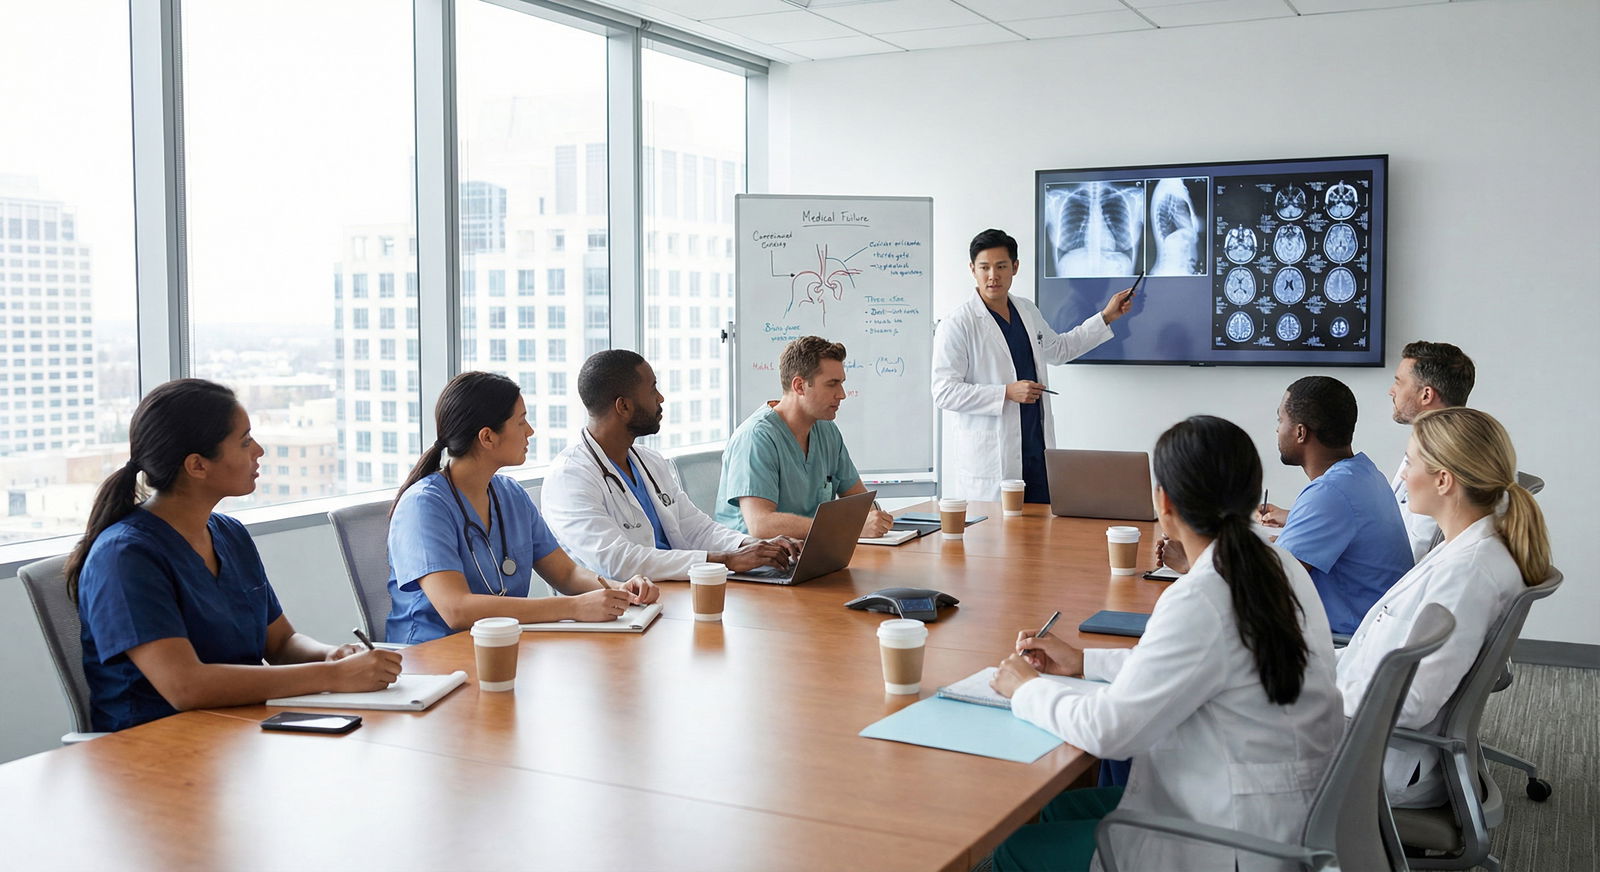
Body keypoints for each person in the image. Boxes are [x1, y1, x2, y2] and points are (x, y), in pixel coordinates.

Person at [988, 416, 1342, 872]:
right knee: (1059, 810)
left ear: (1164, 502)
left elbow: (1110, 731)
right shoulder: (1276, 562)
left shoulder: (1201, 596)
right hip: (1279, 806)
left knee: (1014, 852)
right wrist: (1083, 661)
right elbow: (1198, 662)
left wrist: (1025, 689)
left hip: (1229, 838)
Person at [67, 379, 402, 732]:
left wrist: (329, 655)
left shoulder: (229, 534)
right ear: (197, 465)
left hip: (239, 732)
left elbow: (281, 643)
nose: (258, 450)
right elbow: (185, 686)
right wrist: (332, 675)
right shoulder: (124, 557)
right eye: (244, 442)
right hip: (152, 748)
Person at [1336, 407, 1550, 807]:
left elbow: (1411, 704)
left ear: (1443, 480)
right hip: (1366, 732)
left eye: (1409, 462)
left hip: (1378, 757)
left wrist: (1312, 694)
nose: (1401, 475)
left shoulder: (1467, 574)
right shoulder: (1467, 548)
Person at [386, 371, 659, 644]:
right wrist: (573, 607)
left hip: (503, 645)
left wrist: (619, 588)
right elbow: (456, 609)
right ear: (488, 437)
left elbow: (566, 573)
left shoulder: (510, 494)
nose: (530, 431)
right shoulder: (423, 505)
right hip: (431, 656)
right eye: (521, 422)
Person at [543, 349, 800, 580]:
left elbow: (696, 529)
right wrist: (726, 561)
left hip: (675, 594)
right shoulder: (570, 477)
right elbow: (616, 561)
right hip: (621, 610)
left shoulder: (649, 461)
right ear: (623, 406)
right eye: (653, 389)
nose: (661, 398)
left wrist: (754, 546)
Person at [931, 228, 1134, 503]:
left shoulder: (1026, 310)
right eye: (985, 267)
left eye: (1001, 266)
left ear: (1015, 267)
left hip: (1036, 451)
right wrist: (1005, 392)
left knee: (1041, 537)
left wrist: (1106, 317)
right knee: (997, 541)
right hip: (992, 461)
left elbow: (1060, 349)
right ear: (972, 269)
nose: (993, 276)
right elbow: (943, 391)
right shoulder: (958, 323)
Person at [1255, 375, 1414, 636]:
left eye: (1280, 420)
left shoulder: (1329, 493)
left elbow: (1269, 585)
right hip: (1375, 631)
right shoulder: (1364, 473)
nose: (1277, 429)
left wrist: (1193, 561)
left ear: (1300, 432)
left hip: (1347, 642)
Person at [715, 336, 894, 539]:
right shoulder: (756, 438)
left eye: (841, 383)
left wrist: (873, 517)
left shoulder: (827, 431)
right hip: (760, 565)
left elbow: (859, 499)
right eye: (832, 384)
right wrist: (847, 526)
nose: (842, 394)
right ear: (799, 386)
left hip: (810, 555)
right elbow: (761, 525)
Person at [1388, 340, 1476, 561]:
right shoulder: (1430, 444)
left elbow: (1413, 554)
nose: (1391, 391)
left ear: (1426, 395)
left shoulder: (1443, 461)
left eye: (1399, 383)